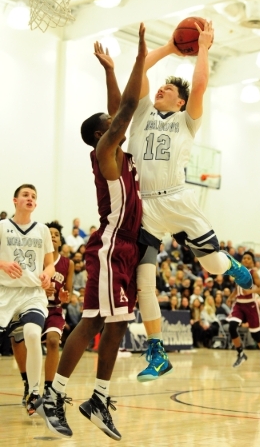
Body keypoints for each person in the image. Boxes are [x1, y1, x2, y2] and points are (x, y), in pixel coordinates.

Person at [35, 24, 147, 440]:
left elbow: (118, 105)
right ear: (104, 134)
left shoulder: (113, 145)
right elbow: (129, 105)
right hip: (110, 246)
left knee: (118, 324)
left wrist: (110, 70)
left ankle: (99, 398)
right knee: (94, 321)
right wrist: (140, 57)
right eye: (112, 122)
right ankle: (53, 395)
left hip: (129, 250)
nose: (117, 120)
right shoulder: (105, 153)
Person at [126, 19, 253, 379]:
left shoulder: (187, 121)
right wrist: (169, 46)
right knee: (143, 282)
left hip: (178, 201)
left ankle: (232, 265)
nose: (162, 88)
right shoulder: (141, 113)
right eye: (161, 87)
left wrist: (204, 48)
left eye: (169, 88)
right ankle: (157, 352)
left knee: (212, 267)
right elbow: (141, 68)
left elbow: (199, 85)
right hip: (146, 206)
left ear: (181, 102)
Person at [0, 184, 55, 415]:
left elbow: (51, 263)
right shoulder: (2, 227)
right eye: (25, 195)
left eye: (33, 196)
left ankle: (34, 393)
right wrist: (2, 263)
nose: (30, 198)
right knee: (17, 340)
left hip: (32, 293)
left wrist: (47, 274)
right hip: (5, 291)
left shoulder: (42, 229)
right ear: (15, 200)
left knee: (33, 334)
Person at [10, 221, 74, 406]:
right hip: (31, 304)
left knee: (53, 341)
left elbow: (68, 296)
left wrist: (64, 296)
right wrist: (39, 289)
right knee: (17, 339)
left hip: (53, 310)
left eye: (56, 234)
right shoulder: (34, 257)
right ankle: (27, 382)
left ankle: (48, 388)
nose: (53, 236)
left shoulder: (67, 263)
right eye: (49, 233)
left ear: (60, 241)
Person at [227, 251, 260, 368]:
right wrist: (230, 297)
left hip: (250, 305)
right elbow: (237, 289)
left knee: (256, 335)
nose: (245, 260)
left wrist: (250, 291)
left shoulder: (253, 273)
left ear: (252, 262)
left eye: (248, 258)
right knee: (232, 327)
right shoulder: (238, 272)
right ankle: (240, 353)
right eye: (244, 258)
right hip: (239, 304)